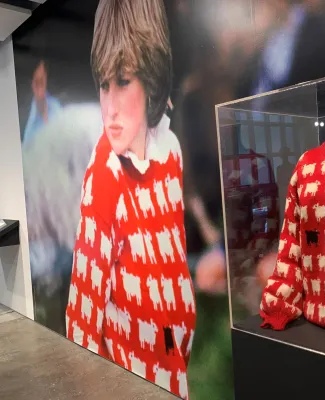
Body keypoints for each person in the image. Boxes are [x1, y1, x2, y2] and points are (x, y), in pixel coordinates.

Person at [65, 1, 195, 398]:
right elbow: (82, 319)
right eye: (104, 85)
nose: (110, 108)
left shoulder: (170, 151)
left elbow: (174, 261)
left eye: (123, 81)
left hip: (174, 372)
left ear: (151, 80)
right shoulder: (104, 174)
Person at [23, 60, 62, 145]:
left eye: (42, 81)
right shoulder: (26, 112)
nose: (39, 87)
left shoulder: (55, 107)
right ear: (32, 83)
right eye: (37, 81)